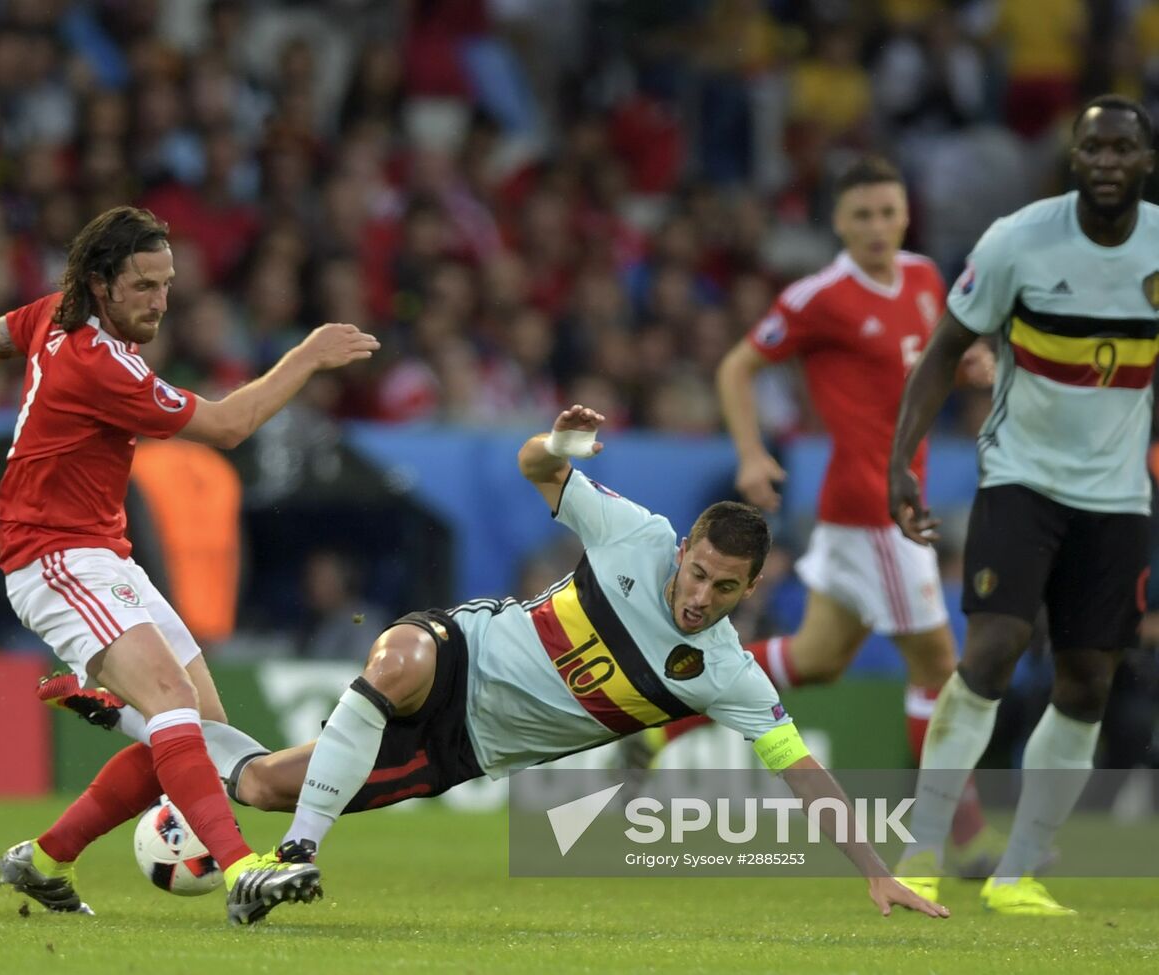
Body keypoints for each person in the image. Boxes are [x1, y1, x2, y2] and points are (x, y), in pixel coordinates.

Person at [0, 206, 380, 925]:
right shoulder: (100, 364)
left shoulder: (50, 320)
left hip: (102, 554)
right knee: (175, 709)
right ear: (101, 283)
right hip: (53, 558)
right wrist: (307, 353)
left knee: (197, 736)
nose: (160, 300)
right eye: (145, 285)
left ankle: (48, 856)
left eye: (167, 284)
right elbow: (228, 425)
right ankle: (243, 868)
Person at [214, 405, 944, 918]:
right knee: (397, 658)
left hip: (465, 746)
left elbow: (802, 772)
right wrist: (558, 443)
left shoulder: (727, 672)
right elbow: (531, 463)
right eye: (698, 572)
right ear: (684, 549)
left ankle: (157, 731)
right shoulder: (634, 533)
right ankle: (299, 851)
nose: (700, 596)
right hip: (464, 651)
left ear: (752, 587)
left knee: (263, 781)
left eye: (725, 588)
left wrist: (877, 875)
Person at [632, 157, 1002, 877]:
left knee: (817, 658)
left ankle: (668, 713)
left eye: (888, 212)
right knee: (939, 669)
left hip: (877, 506)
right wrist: (748, 454)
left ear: (905, 215)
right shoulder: (819, 297)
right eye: (861, 214)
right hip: (872, 509)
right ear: (837, 221)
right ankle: (960, 839)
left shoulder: (927, 278)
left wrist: (969, 365)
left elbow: (931, 362)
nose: (876, 227)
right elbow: (737, 365)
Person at [887, 95, 1159, 916]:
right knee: (996, 648)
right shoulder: (1018, 241)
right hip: (1022, 478)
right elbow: (943, 349)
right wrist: (902, 461)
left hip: (1117, 497)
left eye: (1122, 149)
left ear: (1144, 162)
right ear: (1072, 158)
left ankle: (1020, 869)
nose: (1107, 161)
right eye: (1093, 147)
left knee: (1086, 681)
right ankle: (921, 852)